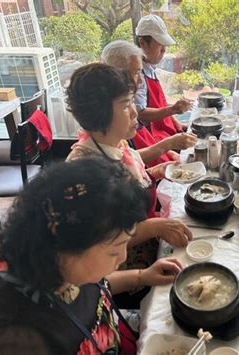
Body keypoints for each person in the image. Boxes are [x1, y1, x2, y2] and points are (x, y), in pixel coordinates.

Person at [0, 158, 182, 353]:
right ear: (64, 248)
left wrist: (141, 276)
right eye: (114, 251)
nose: (122, 258)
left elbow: (93, 287)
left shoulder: (59, 264)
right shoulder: (15, 337)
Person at [65, 63, 192, 307]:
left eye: (132, 102)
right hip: (123, 271)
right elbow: (103, 241)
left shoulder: (113, 142)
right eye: (125, 105)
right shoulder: (84, 173)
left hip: (149, 249)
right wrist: (155, 226)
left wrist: (154, 172)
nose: (135, 113)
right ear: (100, 115)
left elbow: (128, 167)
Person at [101, 40, 197, 167]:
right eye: (136, 73)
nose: (141, 80)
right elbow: (121, 162)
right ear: (115, 74)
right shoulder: (107, 115)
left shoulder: (124, 98)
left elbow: (126, 153)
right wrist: (168, 144)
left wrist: (156, 170)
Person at [133, 15, 192, 150]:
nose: (164, 50)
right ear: (143, 43)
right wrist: (173, 109)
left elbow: (160, 104)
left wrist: (176, 124)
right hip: (153, 137)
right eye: (160, 44)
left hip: (164, 129)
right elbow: (140, 113)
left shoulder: (151, 67)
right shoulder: (137, 74)